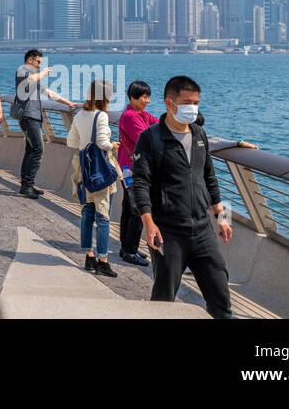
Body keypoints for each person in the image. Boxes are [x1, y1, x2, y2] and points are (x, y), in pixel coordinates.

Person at [130, 76, 234, 319]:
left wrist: (221, 216)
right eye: (187, 102)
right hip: (168, 233)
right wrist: (148, 223)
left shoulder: (199, 134)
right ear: (170, 103)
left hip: (202, 230)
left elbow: (209, 177)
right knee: (164, 301)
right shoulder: (151, 138)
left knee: (221, 298)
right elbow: (140, 183)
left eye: (196, 102)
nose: (193, 108)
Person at [66, 79, 120, 278]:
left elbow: (71, 140)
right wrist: (113, 145)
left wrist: (85, 142)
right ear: (104, 97)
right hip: (100, 170)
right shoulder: (102, 116)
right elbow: (102, 143)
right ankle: (103, 260)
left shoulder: (80, 114)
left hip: (83, 169)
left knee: (87, 212)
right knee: (103, 216)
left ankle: (89, 256)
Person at [15, 49, 78, 199]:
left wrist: (68, 102)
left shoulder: (34, 77)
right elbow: (29, 81)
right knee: (38, 150)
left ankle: (26, 184)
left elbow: (49, 93)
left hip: (34, 117)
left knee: (31, 150)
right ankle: (27, 185)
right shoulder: (22, 71)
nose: (39, 65)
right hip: (28, 117)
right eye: (38, 62)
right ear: (30, 60)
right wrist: (43, 73)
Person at [117, 79, 158, 265]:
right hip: (132, 169)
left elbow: (157, 124)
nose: (147, 100)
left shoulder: (140, 114)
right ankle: (130, 251)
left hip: (127, 168)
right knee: (137, 209)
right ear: (132, 97)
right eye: (143, 97)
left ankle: (125, 248)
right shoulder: (131, 117)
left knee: (129, 207)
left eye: (148, 96)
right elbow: (147, 137)